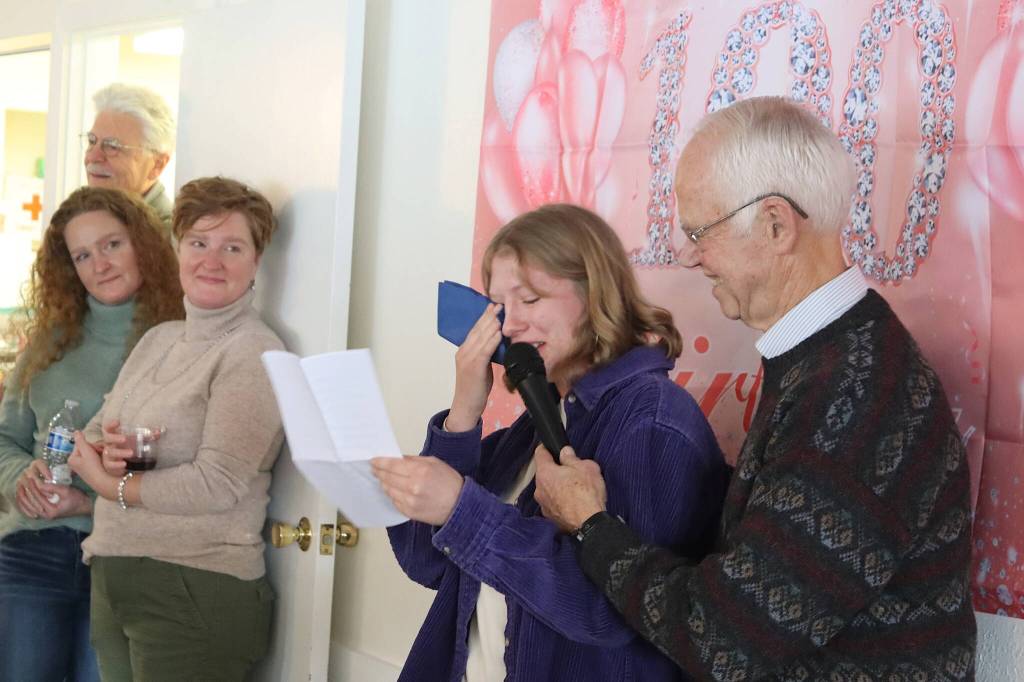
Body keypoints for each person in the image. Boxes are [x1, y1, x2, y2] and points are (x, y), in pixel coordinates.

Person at [534, 96, 977, 680]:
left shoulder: (857, 394)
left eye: (700, 231)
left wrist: (590, 525)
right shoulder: (828, 359)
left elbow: (726, 641)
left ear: (775, 225)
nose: (690, 257)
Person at [372, 203, 728, 682]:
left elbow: (618, 613)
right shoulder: (541, 419)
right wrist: (462, 415)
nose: (510, 325)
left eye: (531, 299)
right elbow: (427, 562)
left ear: (594, 291)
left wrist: (463, 510)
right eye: (498, 307)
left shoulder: (653, 422)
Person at [67, 176, 285, 681]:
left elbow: (216, 484)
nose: (212, 260)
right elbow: (99, 429)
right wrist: (107, 449)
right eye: (199, 243)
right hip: (115, 574)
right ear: (177, 248)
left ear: (256, 261)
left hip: (194, 588)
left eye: (233, 246)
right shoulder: (160, 339)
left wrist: (108, 483)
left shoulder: (253, 352)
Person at [0, 187, 184, 682]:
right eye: (82, 255)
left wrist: (87, 503)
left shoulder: (180, 337)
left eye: (112, 245)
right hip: (31, 553)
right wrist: (22, 477)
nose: (99, 264)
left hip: (125, 560)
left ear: (143, 242)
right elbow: (5, 440)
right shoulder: (51, 338)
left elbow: (183, 476)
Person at [84, 83, 176, 232]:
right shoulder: (80, 221)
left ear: (157, 164)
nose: (93, 156)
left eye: (112, 146)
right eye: (92, 141)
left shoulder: (166, 238)